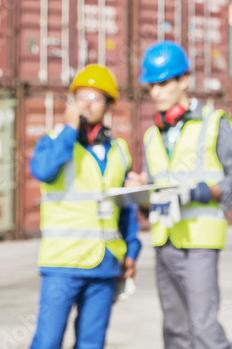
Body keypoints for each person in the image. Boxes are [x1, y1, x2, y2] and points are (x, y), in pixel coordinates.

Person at [126, 40, 232, 349]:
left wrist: (200, 191)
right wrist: (139, 192)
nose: (155, 92)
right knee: (175, 331)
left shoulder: (214, 123)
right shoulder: (151, 135)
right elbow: (153, 196)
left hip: (200, 242)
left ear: (184, 80)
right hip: (164, 241)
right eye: (151, 86)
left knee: (204, 330)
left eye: (163, 83)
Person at [28, 64, 139, 349]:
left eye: (96, 97)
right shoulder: (53, 143)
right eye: (82, 96)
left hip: (104, 266)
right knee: (47, 341)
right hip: (62, 265)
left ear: (109, 105)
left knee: (92, 343)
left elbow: (124, 207)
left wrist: (130, 250)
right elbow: (42, 170)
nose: (87, 103)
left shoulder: (119, 151)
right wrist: (69, 129)